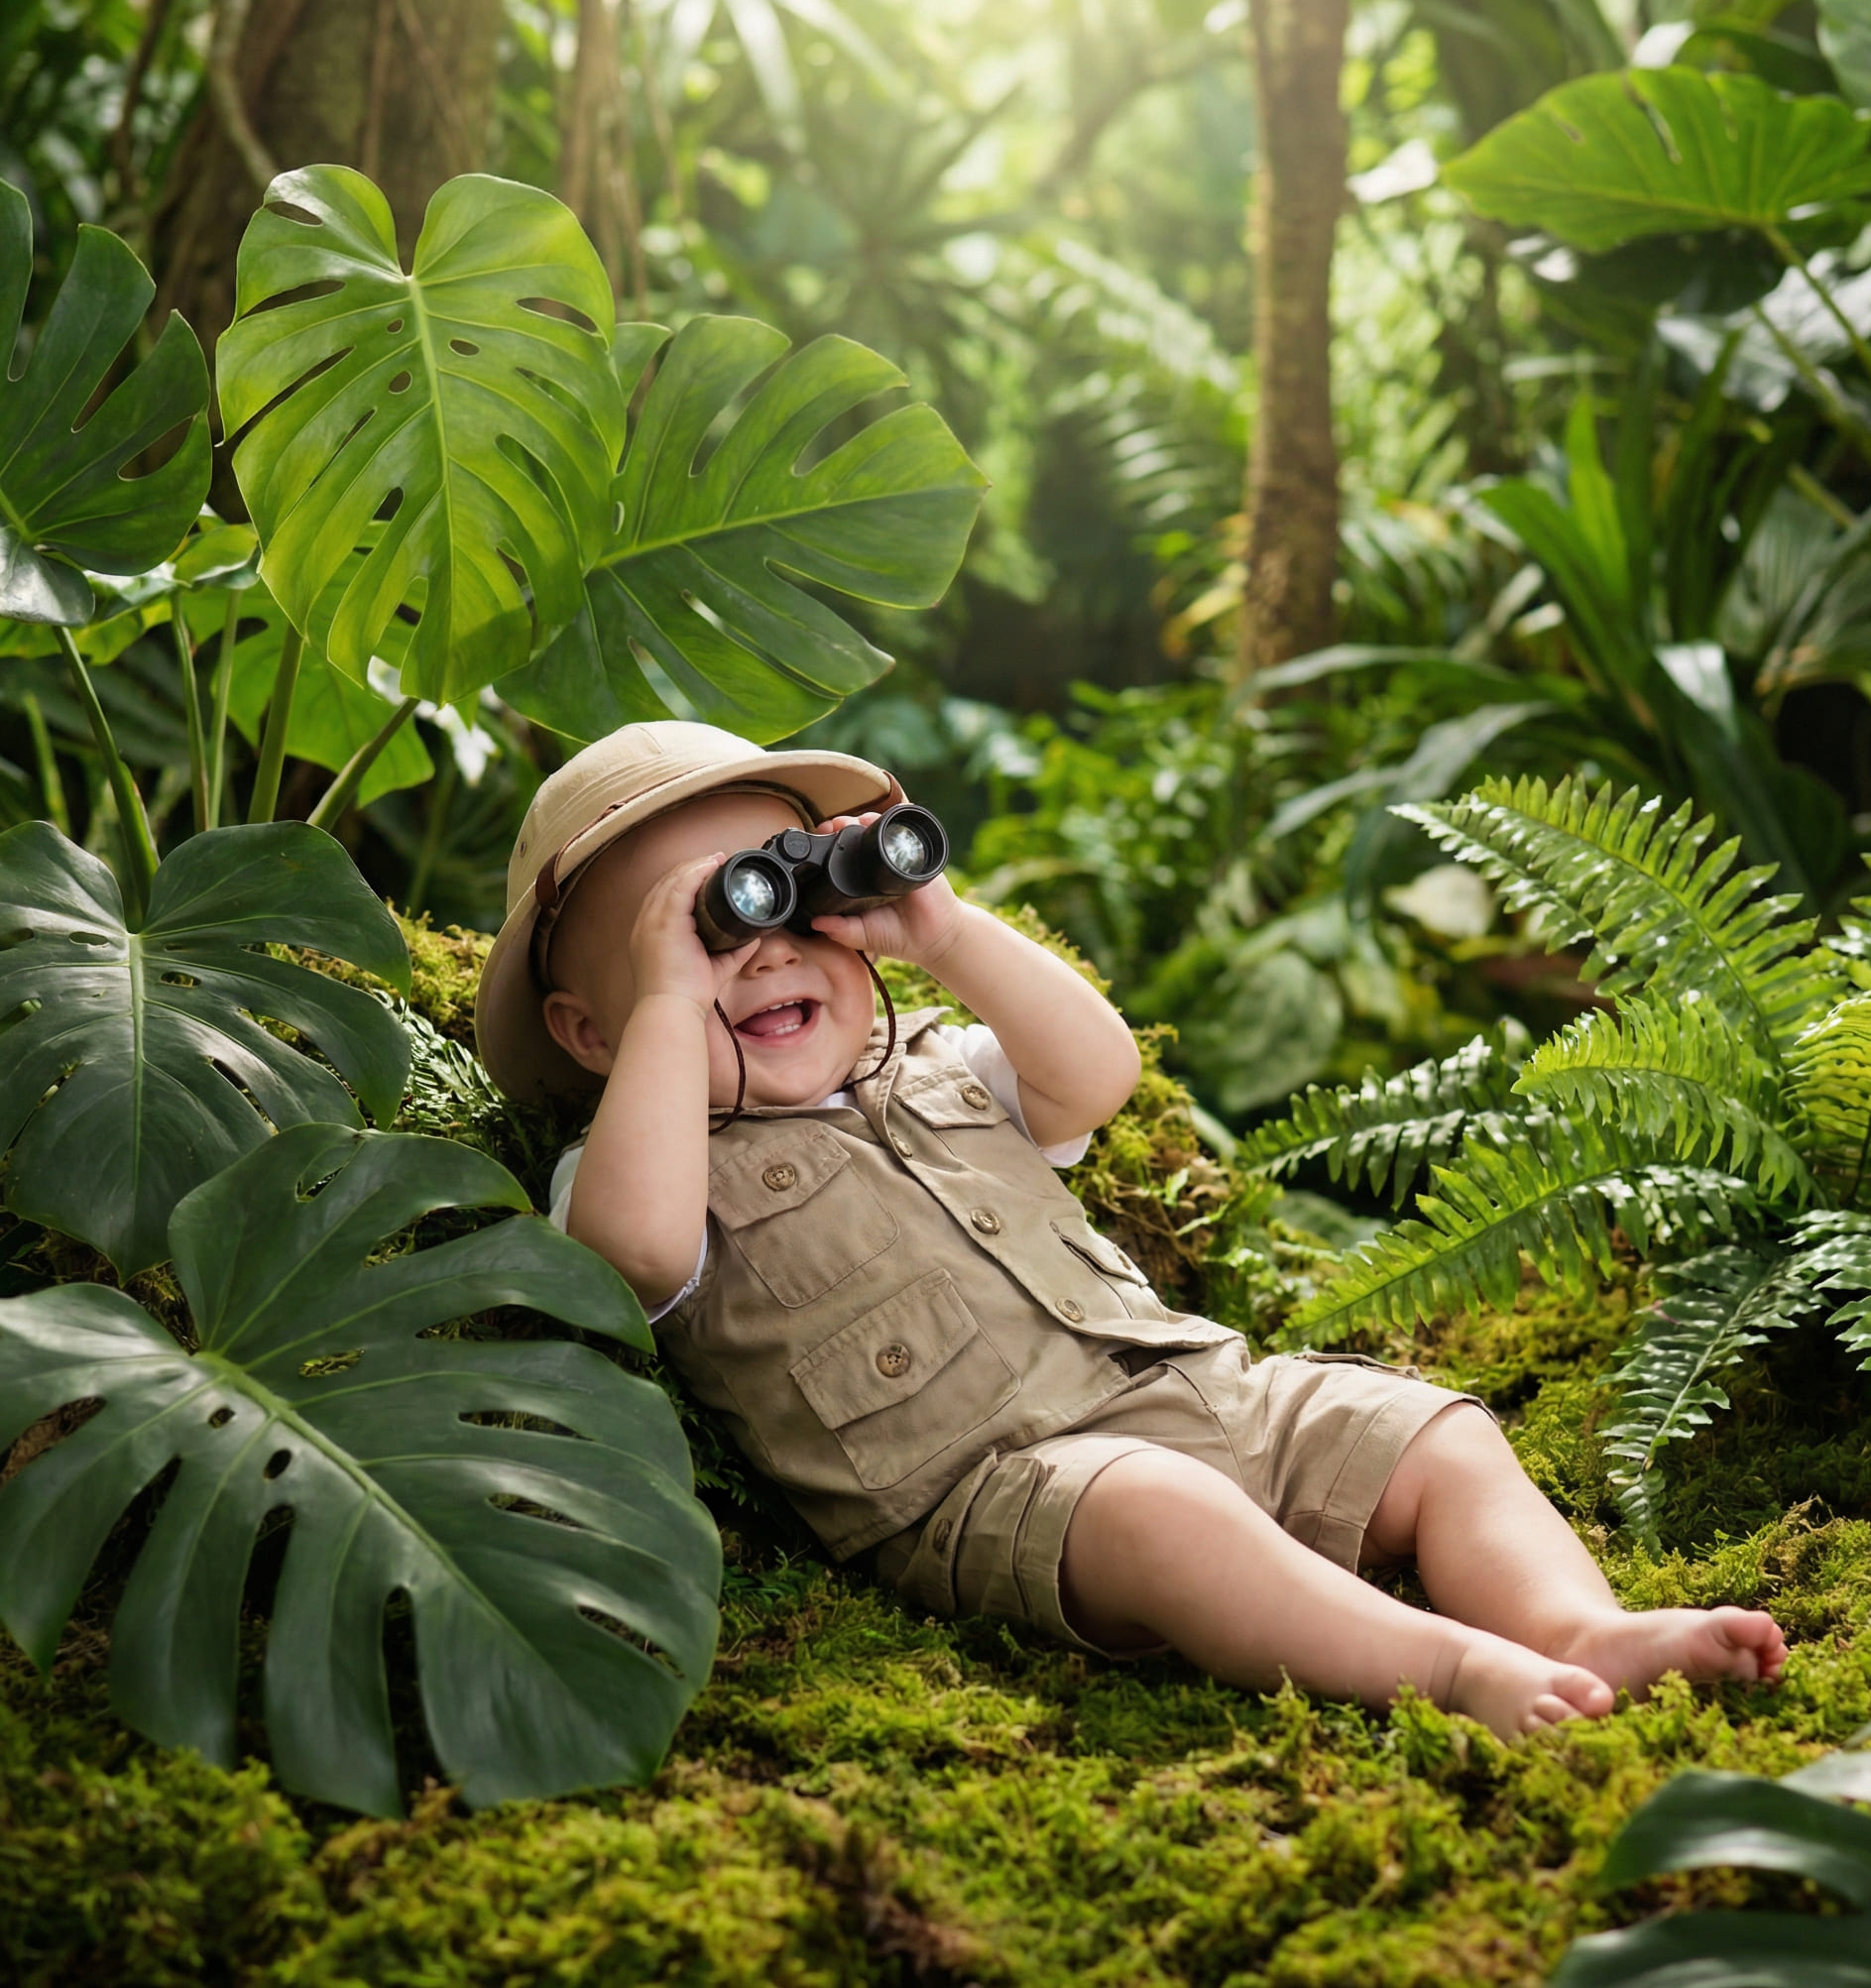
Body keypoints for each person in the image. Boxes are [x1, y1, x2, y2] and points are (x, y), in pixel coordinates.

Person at [475, 722, 1787, 1739]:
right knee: (1168, 1517)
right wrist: (666, 1001)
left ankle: (1578, 1624)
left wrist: (942, 930)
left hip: (1199, 1384)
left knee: (1438, 1434)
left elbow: (1093, 1074)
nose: (756, 957)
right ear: (594, 1032)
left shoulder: (946, 1067)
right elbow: (633, 1259)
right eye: (700, 937)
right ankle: (1446, 1663)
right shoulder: (642, 1163)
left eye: (779, 901)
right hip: (1005, 1493)